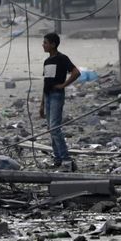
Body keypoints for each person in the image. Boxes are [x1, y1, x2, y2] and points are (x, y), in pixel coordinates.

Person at [38, 32, 80, 171]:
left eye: (45, 43)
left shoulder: (62, 58)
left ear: (53, 44)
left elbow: (75, 72)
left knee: (55, 128)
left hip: (57, 95)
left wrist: (63, 85)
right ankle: (57, 160)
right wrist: (42, 104)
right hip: (49, 96)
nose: (43, 45)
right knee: (51, 129)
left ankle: (66, 161)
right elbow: (46, 83)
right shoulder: (47, 61)